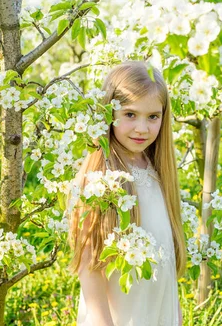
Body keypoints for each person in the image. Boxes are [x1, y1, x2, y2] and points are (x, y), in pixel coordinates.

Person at [69, 61, 187, 326]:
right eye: (130, 114)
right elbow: (90, 268)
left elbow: (167, 272)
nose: (142, 129)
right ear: (109, 112)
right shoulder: (100, 178)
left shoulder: (158, 172)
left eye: (153, 117)